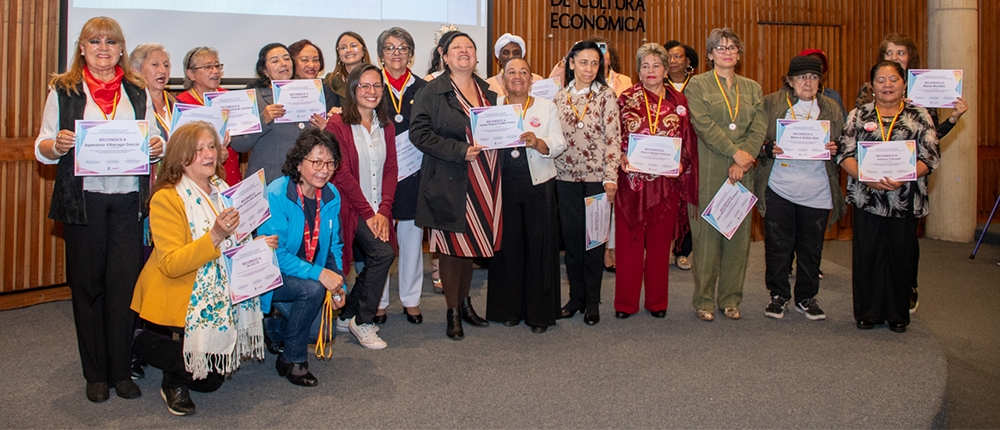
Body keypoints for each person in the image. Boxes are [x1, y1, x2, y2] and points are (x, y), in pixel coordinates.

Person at [34, 16, 164, 403]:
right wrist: (56, 144)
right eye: (94, 41)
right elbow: (41, 145)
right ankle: (95, 374)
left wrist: (155, 146)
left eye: (111, 41)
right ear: (82, 48)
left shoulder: (137, 90)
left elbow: (153, 136)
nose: (103, 48)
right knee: (88, 289)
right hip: (84, 201)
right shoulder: (64, 89)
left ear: (122, 49)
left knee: (122, 288)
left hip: (127, 201)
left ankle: (121, 371)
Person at [131, 121, 268, 415]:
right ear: (181, 158)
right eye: (198, 150)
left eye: (211, 147)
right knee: (195, 368)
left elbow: (237, 239)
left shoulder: (222, 188)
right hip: (180, 287)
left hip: (220, 287)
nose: (209, 154)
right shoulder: (166, 198)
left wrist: (259, 245)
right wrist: (215, 236)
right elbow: (170, 264)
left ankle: (175, 354)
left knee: (210, 383)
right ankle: (149, 352)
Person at [854, 33, 968, 313]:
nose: (894, 58)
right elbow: (856, 139)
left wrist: (953, 118)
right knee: (872, 245)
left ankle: (907, 288)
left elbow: (932, 141)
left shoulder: (923, 99)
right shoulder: (870, 93)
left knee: (904, 244)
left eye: (901, 53)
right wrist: (867, 173)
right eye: (889, 53)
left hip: (909, 180)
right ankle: (875, 299)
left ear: (910, 59)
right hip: (872, 183)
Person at [838, 61, 939, 333]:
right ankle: (867, 312)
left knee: (901, 255)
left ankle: (898, 313)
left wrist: (903, 175)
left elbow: (930, 157)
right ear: (872, 85)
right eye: (881, 80)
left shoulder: (920, 115)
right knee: (867, 255)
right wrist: (866, 177)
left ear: (904, 83)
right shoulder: (859, 115)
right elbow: (844, 154)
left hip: (904, 197)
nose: (887, 85)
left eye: (893, 79)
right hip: (867, 197)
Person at [410, 32, 498, 340]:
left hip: (483, 180)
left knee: (470, 246)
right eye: (457, 48)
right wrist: (459, 151)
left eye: (470, 48)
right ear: (444, 56)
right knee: (451, 248)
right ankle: (452, 312)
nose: (464, 52)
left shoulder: (488, 91)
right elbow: (419, 134)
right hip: (448, 178)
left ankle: (465, 303)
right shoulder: (431, 91)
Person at [685, 28, 767, 321]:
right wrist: (735, 153)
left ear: (739, 54)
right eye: (720, 47)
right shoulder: (697, 85)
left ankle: (731, 298)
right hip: (709, 167)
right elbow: (703, 125)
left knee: (738, 237)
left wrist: (744, 159)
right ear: (709, 54)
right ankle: (704, 300)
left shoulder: (753, 88)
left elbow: (759, 125)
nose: (727, 51)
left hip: (743, 171)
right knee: (706, 237)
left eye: (733, 47)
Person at [756, 55, 845, 321]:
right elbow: (757, 139)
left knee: (811, 247)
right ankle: (778, 295)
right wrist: (767, 148)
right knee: (777, 245)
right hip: (779, 186)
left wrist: (836, 148)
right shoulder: (772, 103)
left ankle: (806, 297)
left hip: (817, 189)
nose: (808, 82)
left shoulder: (831, 107)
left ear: (820, 81)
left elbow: (843, 143)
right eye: (802, 77)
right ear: (790, 81)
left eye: (814, 77)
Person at [613, 43, 698, 319]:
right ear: (638, 70)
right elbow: (614, 138)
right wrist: (621, 156)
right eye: (645, 66)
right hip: (632, 183)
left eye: (656, 65)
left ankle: (657, 302)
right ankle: (626, 303)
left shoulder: (679, 101)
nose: (651, 71)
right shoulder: (625, 98)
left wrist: (681, 164)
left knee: (660, 246)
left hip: (665, 185)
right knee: (629, 244)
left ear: (665, 69)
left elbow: (687, 142)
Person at [258, 128, 346, 387]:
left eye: (330, 162)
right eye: (316, 161)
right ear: (299, 163)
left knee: (324, 332)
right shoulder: (277, 194)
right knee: (312, 289)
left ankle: (274, 330)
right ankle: (292, 361)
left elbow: (334, 246)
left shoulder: (331, 195)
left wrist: (340, 282)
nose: (324, 169)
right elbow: (273, 255)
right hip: (272, 275)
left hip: (306, 277)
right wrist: (320, 274)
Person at [485, 58, 567, 333]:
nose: (517, 76)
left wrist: (539, 142)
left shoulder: (546, 107)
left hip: (538, 183)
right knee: (508, 248)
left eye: (523, 72)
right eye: (511, 72)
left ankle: (539, 314)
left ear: (532, 79)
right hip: (503, 185)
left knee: (538, 248)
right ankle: (508, 309)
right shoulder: (492, 108)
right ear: (502, 78)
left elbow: (559, 142)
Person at [325, 63, 398, 349]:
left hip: (379, 209)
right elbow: (340, 173)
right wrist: (369, 214)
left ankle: (352, 314)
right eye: (364, 86)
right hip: (350, 209)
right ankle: (364, 321)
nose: (371, 91)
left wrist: (384, 210)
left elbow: (391, 167)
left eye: (376, 86)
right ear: (352, 89)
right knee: (383, 253)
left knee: (382, 255)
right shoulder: (337, 125)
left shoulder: (387, 125)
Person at [552, 41, 622, 325]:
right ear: (571, 64)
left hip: (596, 181)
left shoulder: (606, 96)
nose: (589, 69)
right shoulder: (558, 97)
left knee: (594, 243)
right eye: (583, 62)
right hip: (565, 179)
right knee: (572, 243)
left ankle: (592, 301)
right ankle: (575, 298)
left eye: (595, 63)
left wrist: (611, 177)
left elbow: (613, 138)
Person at [373, 27, 429, 324]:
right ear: (381, 54)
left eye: (403, 47)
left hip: (413, 172)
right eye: (390, 48)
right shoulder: (370, 85)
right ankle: (379, 301)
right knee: (381, 241)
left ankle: (411, 300)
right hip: (378, 172)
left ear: (411, 54)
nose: (397, 53)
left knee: (411, 238)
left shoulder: (423, 87)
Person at [230, 43, 328, 184]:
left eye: (287, 59)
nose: (283, 64)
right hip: (269, 181)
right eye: (275, 61)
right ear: (264, 70)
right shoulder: (254, 98)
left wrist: (322, 129)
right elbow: (239, 144)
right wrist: (264, 119)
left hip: (304, 181)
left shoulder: (309, 93)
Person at [176, 46, 240, 185]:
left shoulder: (230, 97)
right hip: (197, 176)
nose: (215, 71)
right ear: (191, 74)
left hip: (230, 168)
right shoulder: (181, 104)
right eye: (208, 67)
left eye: (217, 66)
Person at [663, 40, 700, 271]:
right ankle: (660, 248)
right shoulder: (658, 84)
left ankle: (683, 250)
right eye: (669, 57)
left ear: (688, 62)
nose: (673, 61)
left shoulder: (698, 86)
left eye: (678, 57)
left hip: (694, 150)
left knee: (689, 200)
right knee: (666, 201)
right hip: (665, 152)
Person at [550, 37, 632, 96]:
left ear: (611, 59)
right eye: (585, 61)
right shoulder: (579, 79)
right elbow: (552, 84)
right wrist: (569, 57)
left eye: (602, 50)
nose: (599, 55)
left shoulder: (624, 81)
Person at [130, 43, 175, 139]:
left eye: (166, 65)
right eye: (155, 65)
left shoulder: (177, 105)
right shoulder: (133, 108)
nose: (163, 70)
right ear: (135, 70)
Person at [289, 38, 340, 117]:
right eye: (305, 60)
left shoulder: (329, 91)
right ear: (292, 63)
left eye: (316, 60)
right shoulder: (281, 91)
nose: (312, 65)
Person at [484, 33, 545, 98]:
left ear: (522, 56)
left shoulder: (537, 80)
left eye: (516, 53)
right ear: (499, 58)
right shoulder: (488, 85)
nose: (511, 56)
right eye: (506, 53)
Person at [797, 48, 846, 117]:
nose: (816, 66)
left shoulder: (833, 97)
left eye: (819, 63)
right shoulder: (785, 96)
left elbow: (842, 125)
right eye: (811, 62)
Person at [325, 31, 371, 104]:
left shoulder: (375, 78)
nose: (349, 50)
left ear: (363, 51)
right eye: (343, 48)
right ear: (339, 55)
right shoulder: (331, 80)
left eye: (353, 46)